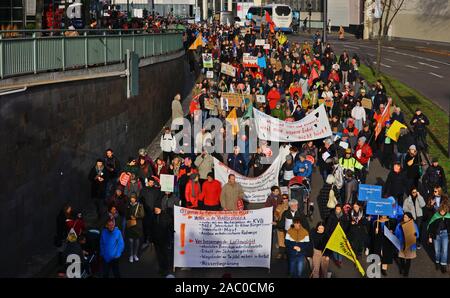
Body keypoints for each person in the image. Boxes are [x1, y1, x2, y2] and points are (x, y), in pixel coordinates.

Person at [153, 191, 180, 275]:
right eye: (155, 209)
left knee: (165, 253)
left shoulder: (175, 198)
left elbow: (177, 210)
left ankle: (166, 269)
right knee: (159, 255)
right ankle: (162, 268)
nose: (156, 210)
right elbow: (152, 227)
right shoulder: (154, 215)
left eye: (157, 208)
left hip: (165, 236)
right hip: (157, 238)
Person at [395, 212, 419, 277]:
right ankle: (402, 268)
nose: (404, 218)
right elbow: (396, 233)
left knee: (408, 259)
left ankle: (406, 272)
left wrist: (415, 234)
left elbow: (417, 234)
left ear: (409, 218)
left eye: (405, 217)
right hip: (402, 243)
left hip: (410, 244)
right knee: (402, 257)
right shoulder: (400, 224)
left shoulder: (413, 225)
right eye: (404, 217)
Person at [427, 205, 450, 273]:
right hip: (436, 235)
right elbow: (430, 226)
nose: (442, 212)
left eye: (444, 211)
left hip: (445, 235)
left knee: (445, 250)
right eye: (441, 211)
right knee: (437, 251)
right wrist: (430, 237)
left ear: (446, 210)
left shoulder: (449, 216)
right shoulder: (435, 216)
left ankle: (443, 265)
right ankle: (437, 262)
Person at [140, 177, 162, 248]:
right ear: (148, 182)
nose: (151, 183)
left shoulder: (156, 190)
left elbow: (160, 197)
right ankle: (146, 240)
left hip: (153, 212)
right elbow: (140, 199)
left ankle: (152, 241)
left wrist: (156, 207)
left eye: (152, 182)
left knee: (153, 227)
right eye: (150, 182)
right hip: (145, 212)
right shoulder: (143, 189)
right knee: (145, 227)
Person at [125, 193, 145, 263]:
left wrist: (135, 217)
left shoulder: (140, 205)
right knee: (130, 241)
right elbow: (125, 214)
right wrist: (129, 216)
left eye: (133, 198)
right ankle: (131, 255)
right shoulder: (128, 205)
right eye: (131, 198)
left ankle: (135, 254)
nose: (132, 199)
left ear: (136, 198)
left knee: (136, 240)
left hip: (137, 225)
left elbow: (142, 214)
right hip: (130, 224)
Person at [274, 194, 290, 259]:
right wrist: (277, 215)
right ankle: (281, 253)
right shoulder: (279, 206)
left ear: (288, 199)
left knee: (288, 240)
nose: (284, 199)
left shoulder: (290, 205)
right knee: (281, 240)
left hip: (288, 226)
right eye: (283, 198)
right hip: (280, 225)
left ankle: (287, 253)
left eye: (286, 198)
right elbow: (276, 214)